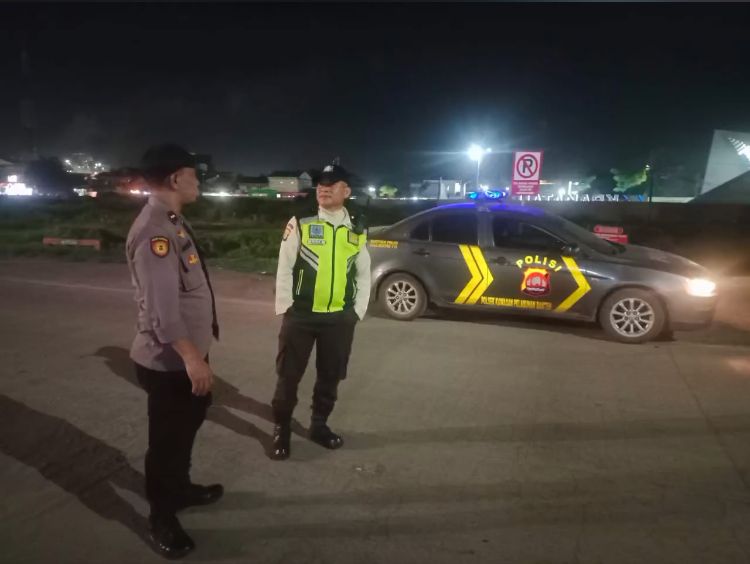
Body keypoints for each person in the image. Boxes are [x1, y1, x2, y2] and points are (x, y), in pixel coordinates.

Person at [126, 144, 223, 559]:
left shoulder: (171, 220)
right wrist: (191, 358)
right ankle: (162, 517)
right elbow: (162, 313)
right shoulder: (155, 233)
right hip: (169, 362)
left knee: (187, 426)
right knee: (166, 442)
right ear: (175, 178)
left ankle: (180, 489)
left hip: (187, 356)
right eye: (194, 173)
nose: (198, 181)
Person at [270, 164, 371, 460]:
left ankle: (319, 425)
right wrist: (287, 307)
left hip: (339, 319)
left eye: (332, 184)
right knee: (289, 376)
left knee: (330, 376)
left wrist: (357, 311)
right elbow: (285, 267)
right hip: (301, 316)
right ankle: (282, 429)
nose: (323, 188)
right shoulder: (301, 221)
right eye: (320, 184)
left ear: (346, 191)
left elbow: (363, 272)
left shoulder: (357, 226)